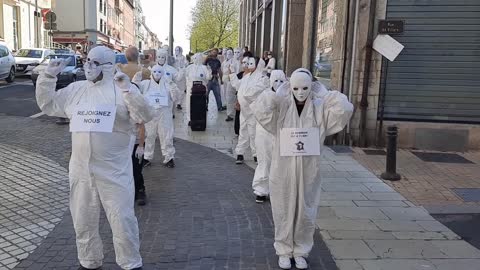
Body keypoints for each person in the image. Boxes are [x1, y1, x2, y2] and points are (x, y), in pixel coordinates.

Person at [35, 45, 151, 270]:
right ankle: (89, 261)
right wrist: (48, 77)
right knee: (83, 219)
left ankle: (131, 263)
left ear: (108, 66)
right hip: (80, 168)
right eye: (87, 60)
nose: (89, 65)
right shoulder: (76, 89)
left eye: (95, 62)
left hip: (113, 170)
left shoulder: (121, 90)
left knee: (122, 220)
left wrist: (130, 91)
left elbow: (144, 115)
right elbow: (49, 105)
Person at [252, 68, 353, 270]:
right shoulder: (282, 106)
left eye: (305, 88)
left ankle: (301, 251)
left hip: (309, 170)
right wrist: (278, 91)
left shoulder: (319, 108)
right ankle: (283, 250)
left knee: (306, 211)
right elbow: (261, 110)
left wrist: (323, 92)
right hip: (283, 170)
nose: (300, 92)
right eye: (295, 88)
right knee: (282, 210)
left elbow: (344, 108)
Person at [251, 70, 286, 203]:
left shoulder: (288, 96)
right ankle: (261, 189)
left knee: (279, 162)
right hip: (264, 133)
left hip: (280, 133)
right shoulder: (264, 95)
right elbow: (259, 113)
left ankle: (277, 190)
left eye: (281, 81)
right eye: (275, 81)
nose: (278, 84)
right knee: (264, 161)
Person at [140, 65, 181, 168]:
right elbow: (136, 94)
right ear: (151, 72)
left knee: (166, 135)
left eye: (159, 71)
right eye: (154, 71)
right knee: (149, 135)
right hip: (151, 114)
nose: (157, 74)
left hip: (165, 113)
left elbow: (176, 97)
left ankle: (169, 157)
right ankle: (147, 157)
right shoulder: (146, 84)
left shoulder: (167, 84)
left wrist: (172, 85)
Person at [230, 56, 269, 165]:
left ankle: (256, 154)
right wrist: (232, 74)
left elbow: (254, 91)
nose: (248, 65)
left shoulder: (262, 78)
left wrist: (245, 98)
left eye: (251, 63)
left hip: (254, 111)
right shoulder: (247, 77)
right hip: (244, 110)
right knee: (243, 131)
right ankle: (240, 153)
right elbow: (238, 86)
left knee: (253, 133)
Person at [185, 53, 211, 125]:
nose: (197, 59)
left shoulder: (204, 68)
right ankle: (190, 119)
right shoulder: (189, 67)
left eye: (199, 58)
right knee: (189, 103)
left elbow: (208, 77)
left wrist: (209, 71)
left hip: (201, 89)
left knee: (200, 104)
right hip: (191, 88)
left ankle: (200, 118)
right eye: (195, 58)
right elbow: (186, 76)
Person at [221, 48, 236, 122]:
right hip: (225, 79)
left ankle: (230, 114)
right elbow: (222, 70)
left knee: (230, 97)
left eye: (230, 53)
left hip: (230, 79)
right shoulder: (224, 62)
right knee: (225, 95)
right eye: (227, 53)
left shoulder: (233, 61)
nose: (228, 55)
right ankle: (229, 111)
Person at [173, 46, 188, 110]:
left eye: (177, 50)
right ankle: (175, 102)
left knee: (181, 90)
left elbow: (186, 64)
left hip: (181, 76)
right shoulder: (173, 57)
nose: (176, 51)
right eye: (175, 50)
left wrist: (182, 69)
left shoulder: (183, 57)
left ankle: (179, 103)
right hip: (174, 75)